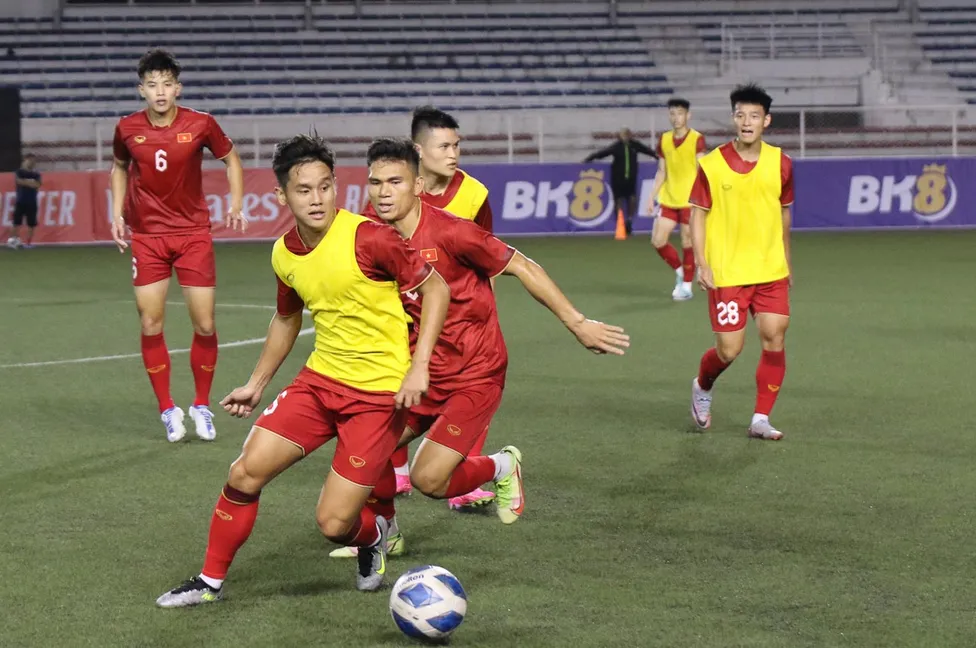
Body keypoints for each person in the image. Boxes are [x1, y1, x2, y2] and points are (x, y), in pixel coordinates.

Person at [155, 133, 451, 608]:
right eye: (304, 190)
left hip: (376, 398)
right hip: (319, 384)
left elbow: (437, 291)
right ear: (281, 196)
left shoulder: (370, 237)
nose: (317, 199)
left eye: (325, 187)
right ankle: (209, 582)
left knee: (335, 526)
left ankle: (372, 535)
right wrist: (255, 385)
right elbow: (288, 318)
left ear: (337, 187)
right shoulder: (284, 253)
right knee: (244, 472)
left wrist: (419, 369)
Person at [330, 137, 630, 560]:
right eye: (375, 182)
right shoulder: (368, 235)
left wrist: (577, 323)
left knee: (430, 481)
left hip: (475, 372)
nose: (383, 192)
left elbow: (524, 266)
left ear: (417, 185)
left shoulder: (452, 231)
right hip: (418, 369)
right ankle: (387, 534)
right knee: (369, 447)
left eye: (394, 182)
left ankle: (503, 465)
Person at [109, 48, 246, 442]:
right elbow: (119, 166)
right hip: (148, 237)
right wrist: (116, 214)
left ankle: (201, 405)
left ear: (178, 88)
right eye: (152, 85)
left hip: (192, 235)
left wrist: (236, 204)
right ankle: (168, 408)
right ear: (142, 90)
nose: (160, 91)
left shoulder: (201, 123)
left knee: (204, 324)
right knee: (151, 323)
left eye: (167, 84)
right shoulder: (126, 127)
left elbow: (232, 159)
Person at [385, 105, 495, 507]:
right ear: (419, 150)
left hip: (462, 323)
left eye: (457, 145)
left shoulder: (474, 193)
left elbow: (488, 253)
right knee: (395, 395)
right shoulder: (393, 192)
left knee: (470, 389)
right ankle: (397, 473)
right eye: (445, 145)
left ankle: (465, 481)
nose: (454, 154)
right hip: (404, 316)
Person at [688, 83, 794, 442]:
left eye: (753, 116)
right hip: (728, 272)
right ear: (733, 119)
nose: (746, 122)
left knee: (774, 336)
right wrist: (702, 263)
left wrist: (787, 260)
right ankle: (703, 385)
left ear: (766, 120)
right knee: (729, 350)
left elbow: (784, 212)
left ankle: (760, 418)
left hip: (770, 270)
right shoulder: (712, 165)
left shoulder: (781, 162)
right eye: (740, 115)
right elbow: (698, 215)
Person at [647, 99, 707, 301]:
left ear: (688, 115)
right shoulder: (664, 140)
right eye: (672, 113)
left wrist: (704, 197)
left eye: (680, 113)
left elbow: (702, 170)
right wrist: (650, 197)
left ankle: (687, 285)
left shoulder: (697, 139)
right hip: (669, 199)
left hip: (690, 201)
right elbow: (662, 171)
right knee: (658, 241)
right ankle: (681, 271)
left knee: (687, 241)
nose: (676, 117)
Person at [583, 127, 658, 236]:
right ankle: (620, 222)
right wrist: (590, 159)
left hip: (631, 178)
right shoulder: (616, 147)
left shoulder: (635, 145)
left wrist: (658, 156)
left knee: (632, 198)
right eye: (624, 134)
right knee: (618, 199)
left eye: (628, 134)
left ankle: (629, 220)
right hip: (618, 178)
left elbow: (648, 151)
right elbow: (603, 153)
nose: (626, 136)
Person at [5, 153, 41, 249]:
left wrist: (25, 182)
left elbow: (37, 185)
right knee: (16, 223)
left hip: (32, 202)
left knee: (31, 224)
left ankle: (28, 243)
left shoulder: (36, 173)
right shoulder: (19, 172)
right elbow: (19, 181)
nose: (33, 163)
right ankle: (12, 242)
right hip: (21, 201)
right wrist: (31, 182)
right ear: (25, 160)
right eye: (31, 160)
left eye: (34, 161)